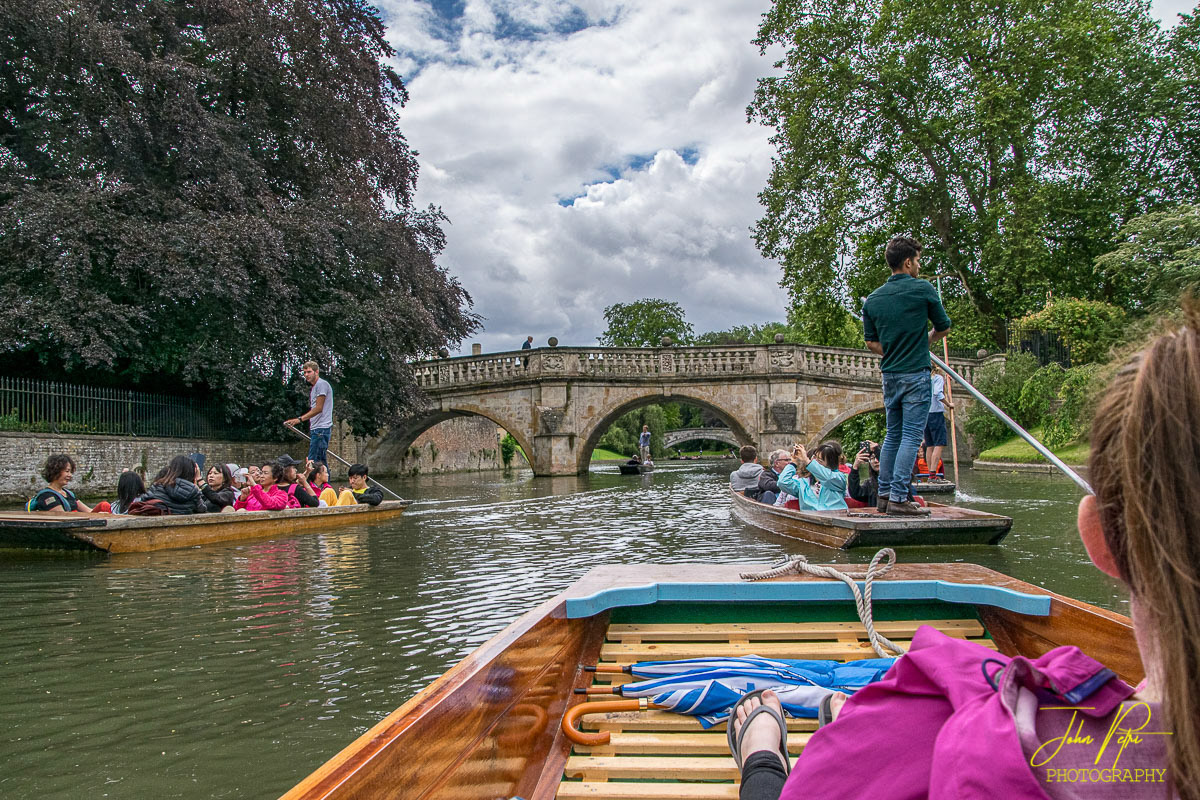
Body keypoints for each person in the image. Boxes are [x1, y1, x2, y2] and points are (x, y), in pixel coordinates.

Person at [727, 316, 1200, 799]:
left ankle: (763, 758)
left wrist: (763, 770)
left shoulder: (988, 747)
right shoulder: (800, 479)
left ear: (1099, 537)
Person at [862, 236, 950, 516]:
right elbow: (943, 327)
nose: (919, 266)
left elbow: (871, 343)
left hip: (890, 376)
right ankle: (900, 497)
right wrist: (922, 342)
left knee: (893, 436)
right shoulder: (922, 289)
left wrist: (894, 349)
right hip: (915, 373)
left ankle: (885, 496)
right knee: (912, 436)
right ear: (908, 261)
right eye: (918, 261)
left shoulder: (873, 299)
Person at [285, 361, 333, 466]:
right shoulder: (315, 387)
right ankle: (324, 482)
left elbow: (319, 408)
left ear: (316, 372)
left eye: (309, 372)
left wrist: (299, 419)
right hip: (317, 428)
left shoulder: (321, 384)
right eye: (305, 372)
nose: (306, 375)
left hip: (321, 429)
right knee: (319, 463)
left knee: (314, 462)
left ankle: (318, 482)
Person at [778, 442, 847, 511]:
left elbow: (827, 478)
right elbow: (783, 482)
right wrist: (793, 463)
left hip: (835, 519)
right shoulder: (803, 483)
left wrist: (806, 460)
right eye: (814, 457)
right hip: (812, 520)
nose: (815, 461)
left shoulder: (839, 478)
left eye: (819, 460)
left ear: (830, 463)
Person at [26, 454, 105, 512]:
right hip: (62, 529)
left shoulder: (68, 493)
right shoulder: (47, 496)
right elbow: (62, 516)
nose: (70, 475)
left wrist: (102, 513)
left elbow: (89, 511)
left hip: (76, 523)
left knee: (104, 506)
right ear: (55, 471)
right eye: (67, 471)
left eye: (70, 472)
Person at [135, 455, 206, 515]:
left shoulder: (157, 487)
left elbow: (142, 502)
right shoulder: (193, 493)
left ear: (171, 469)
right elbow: (202, 509)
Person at [924, 366, 953, 480]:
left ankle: (930, 475)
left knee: (929, 445)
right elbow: (938, 393)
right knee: (939, 444)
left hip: (925, 414)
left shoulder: (925, 378)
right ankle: (932, 475)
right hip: (936, 414)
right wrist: (949, 404)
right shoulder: (938, 378)